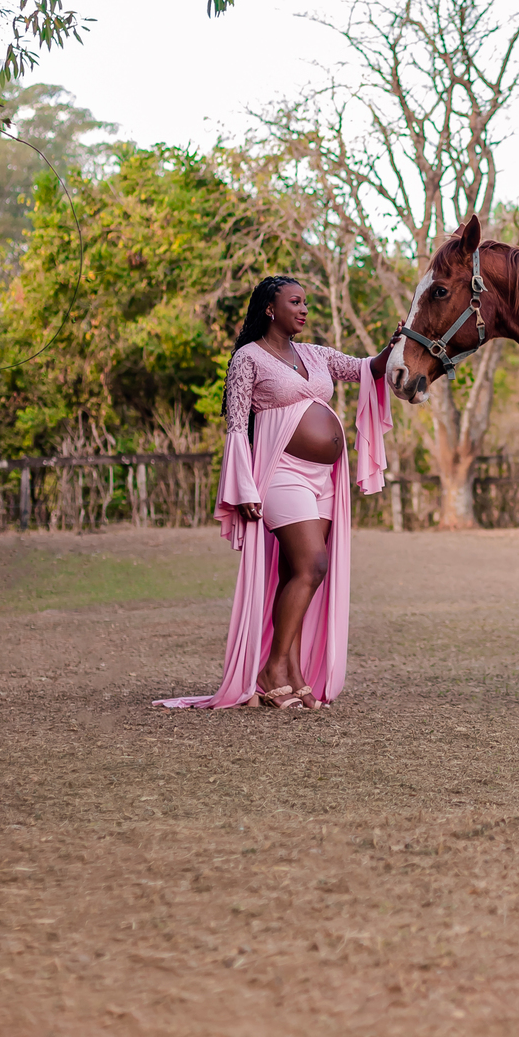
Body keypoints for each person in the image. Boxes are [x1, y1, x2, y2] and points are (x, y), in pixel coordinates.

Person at [156, 276, 396, 712]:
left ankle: (292, 673)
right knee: (313, 565)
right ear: (271, 308)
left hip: (325, 479)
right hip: (281, 473)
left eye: (307, 302)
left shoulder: (315, 354)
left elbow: (366, 368)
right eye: (295, 302)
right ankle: (272, 668)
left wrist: (397, 344)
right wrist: (242, 484)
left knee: (297, 576)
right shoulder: (247, 358)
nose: (304, 310)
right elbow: (235, 424)